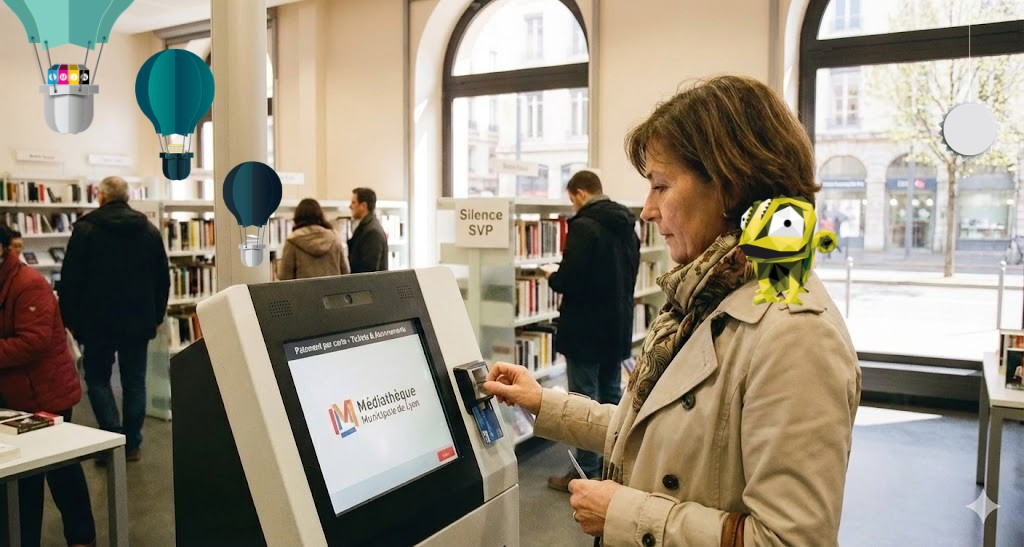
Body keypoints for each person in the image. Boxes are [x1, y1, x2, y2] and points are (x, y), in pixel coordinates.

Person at [483, 75, 861, 546]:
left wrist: (624, 513)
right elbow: (653, 435)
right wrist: (543, 403)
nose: (646, 210)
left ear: (729, 187)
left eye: (661, 186)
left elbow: (789, 540)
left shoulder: (797, 337)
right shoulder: (703, 297)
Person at [58, 176, 170, 464]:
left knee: (97, 378)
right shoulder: (148, 230)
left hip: (96, 322)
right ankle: (131, 444)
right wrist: (156, 315)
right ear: (128, 197)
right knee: (135, 382)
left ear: (101, 197)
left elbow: (70, 279)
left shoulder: (85, 230)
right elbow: (163, 279)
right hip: (138, 321)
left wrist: (69, 319)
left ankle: (111, 440)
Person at [0, 224, 96, 547]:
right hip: (16, 394)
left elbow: (34, 341)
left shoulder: (29, 284)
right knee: (26, 476)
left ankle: (81, 537)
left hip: (44, 395)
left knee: (57, 471)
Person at [543, 169, 640, 491]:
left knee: (583, 398)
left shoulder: (584, 227)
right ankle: (610, 467)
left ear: (580, 193)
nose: (573, 207)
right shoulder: (627, 224)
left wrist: (552, 276)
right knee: (611, 394)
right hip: (617, 323)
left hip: (585, 327)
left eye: (572, 200)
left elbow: (571, 279)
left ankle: (585, 472)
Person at [277, 198, 349, 280]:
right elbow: (346, 271)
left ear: (297, 216)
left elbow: (284, 276)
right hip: (333, 291)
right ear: (320, 215)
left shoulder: (292, 240)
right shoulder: (334, 238)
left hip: (304, 292)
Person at [347, 187, 389, 273]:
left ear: (363, 206)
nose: (350, 206)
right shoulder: (366, 227)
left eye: (353, 203)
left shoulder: (372, 232)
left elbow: (369, 271)